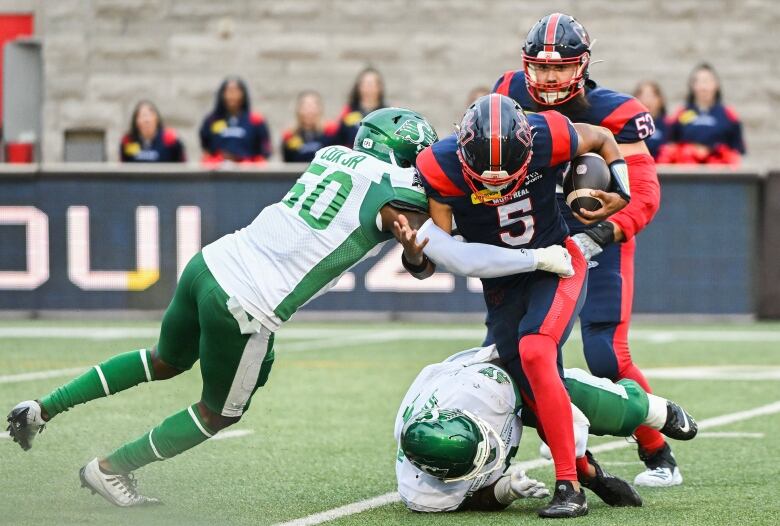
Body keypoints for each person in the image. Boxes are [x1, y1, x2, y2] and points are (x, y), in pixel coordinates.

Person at [6, 107, 575, 507]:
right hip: (247, 304)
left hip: (210, 264)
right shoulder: (403, 187)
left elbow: (408, 245)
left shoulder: (331, 154)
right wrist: (536, 257)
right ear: (410, 150)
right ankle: (110, 470)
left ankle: (45, 406)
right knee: (219, 414)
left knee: (163, 359)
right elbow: (449, 251)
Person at [403, 93, 631, 518]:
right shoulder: (440, 166)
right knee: (527, 389)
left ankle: (569, 487)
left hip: (557, 264)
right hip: (503, 284)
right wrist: (415, 254)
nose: (496, 183)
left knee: (535, 350)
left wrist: (621, 190)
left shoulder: (548, 135)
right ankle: (587, 471)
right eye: (484, 175)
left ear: (528, 149)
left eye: (508, 173)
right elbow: (436, 257)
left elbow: (602, 138)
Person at [491, 12, 677, 488]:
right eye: (541, 66)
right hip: (538, 235)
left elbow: (645, 196)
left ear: (583, 66)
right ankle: (559, 448)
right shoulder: (508, 92)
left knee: (606, 354)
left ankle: (658, 451)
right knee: (518, 350)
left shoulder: (616, 112)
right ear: (525, 65)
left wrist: (597, 235)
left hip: (597, 233)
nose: (550, 78)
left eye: (562, 67)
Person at [395, 344, 698, 513]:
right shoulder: (420, 493)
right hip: (474, 396)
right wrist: (503, 492)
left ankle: (652, 408)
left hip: (504, 374)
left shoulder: (486, 389)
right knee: (565, 439)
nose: (491, 459)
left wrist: (567, 426)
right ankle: (588, 472)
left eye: (485, 449)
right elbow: (465, 501)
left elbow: (531, 376)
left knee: (598, 408)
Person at [659, 63, 745, 165]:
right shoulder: (680, 113)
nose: (703, 87)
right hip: (687, 171)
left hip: (720, 174)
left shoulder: (729, 114)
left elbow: (737, 150)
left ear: (716, 85)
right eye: (699, 82)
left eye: (707, 81)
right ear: (692, 85)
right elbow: (669, 145)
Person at [199, 76, 272, 165]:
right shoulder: (211, 120)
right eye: (228, 91)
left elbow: (265, 151)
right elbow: (206, 147)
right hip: (219, 170)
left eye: (236, 91)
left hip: (248, 170)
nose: (232, 95)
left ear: (243, 94)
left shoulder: (256, 120)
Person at [281, 90, 338, 163]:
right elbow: (287, 162)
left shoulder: (331, 132)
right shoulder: (289, 136)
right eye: (305, 106)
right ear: (298, 109)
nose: (309, 111)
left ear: (320, 109)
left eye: (312, 106)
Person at [120, 100, 185, 163]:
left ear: (156, 119)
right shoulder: (128, 141)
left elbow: (182, 165)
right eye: (142, 116)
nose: (146, 120)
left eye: (149, 115)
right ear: (136, 121)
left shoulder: (170, 139)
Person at [336, 67, 387, 148]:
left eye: (371, 84)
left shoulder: (386, 113)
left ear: (379, 87)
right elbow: (339, 137)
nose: (368, 88)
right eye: (364, 84)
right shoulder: (349, 110)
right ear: (359, 87)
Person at [633, 81, 668, 161]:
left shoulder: (669, 125)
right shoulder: (629, 126)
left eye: (652, 96)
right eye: (643, 96)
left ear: (660, 100)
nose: (647, 100)